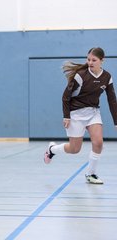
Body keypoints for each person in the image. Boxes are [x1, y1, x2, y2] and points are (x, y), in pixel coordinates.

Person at [44, 47, 117, 184]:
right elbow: (66, 96)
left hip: (93, 112)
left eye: (94, 60)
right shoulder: (81, 75)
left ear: (102, 61)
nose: (90, 62)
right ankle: (52, 149)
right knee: (74, 149)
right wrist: (66, 116)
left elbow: (112, 100)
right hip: (76, 113)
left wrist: (116, 122)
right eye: (88, 59)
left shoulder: (107, 77)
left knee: (98, 142)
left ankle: (91, 174)